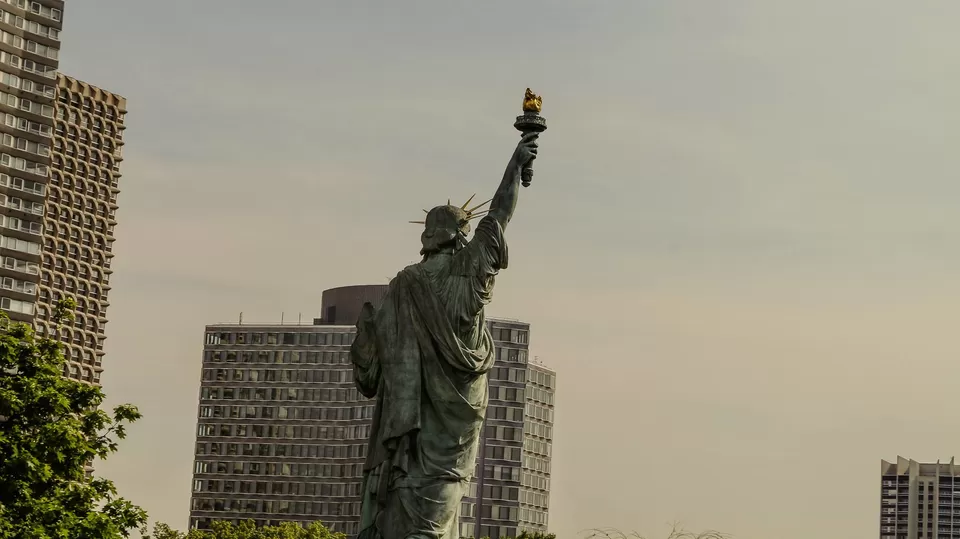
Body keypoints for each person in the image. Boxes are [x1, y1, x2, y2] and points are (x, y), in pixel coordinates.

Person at [351, 133, 540, 539]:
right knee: (436, 519)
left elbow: (371, 371)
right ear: (460, 235)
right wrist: (515, 165)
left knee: (407, 515)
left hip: (409, 431)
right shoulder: (469, 271)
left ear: (428, 237)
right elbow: (500, 214)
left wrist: (367, 332)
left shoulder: (403, 285)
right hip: (453, 427)